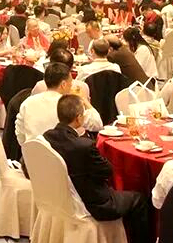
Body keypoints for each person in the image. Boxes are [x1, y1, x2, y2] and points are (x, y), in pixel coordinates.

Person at [43, 94, 151, 243]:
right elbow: (107, 171)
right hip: (93, 204)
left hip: (61, 198)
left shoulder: (46, 137)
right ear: (79, 118)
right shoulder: (83, 146)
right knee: (140, 199)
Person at [15, 62, 102, 146]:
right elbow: (97, 124)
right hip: (63, 154)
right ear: (63, 84)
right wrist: (83, 99)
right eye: (70, 83)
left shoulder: (27, 102)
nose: (71, 86)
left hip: (32, 153)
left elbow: (20, 135)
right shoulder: (69, 105)